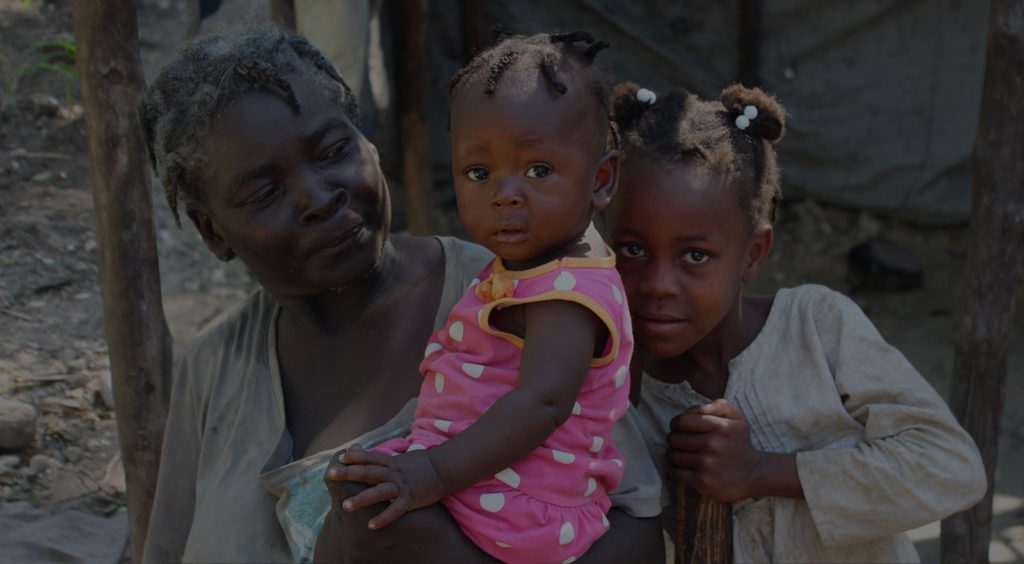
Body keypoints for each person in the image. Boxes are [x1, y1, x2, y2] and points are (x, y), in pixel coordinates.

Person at [138, 26, 662, 563]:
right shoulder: (212, 371)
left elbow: (640, 538)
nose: (318, 198)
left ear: (369, 142)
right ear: (212, 231)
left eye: (334, 150)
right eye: (265, 192)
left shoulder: (519, 298)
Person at [604, 82, 988, 562]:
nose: (658, 284)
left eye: (696, 255)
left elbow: (951, 468)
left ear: (754, 254)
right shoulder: (605, 386)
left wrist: (762, 471)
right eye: (632, 250)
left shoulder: (816, 327)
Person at [322, 31, 654, 564]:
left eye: (538, 170)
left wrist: (431, 472)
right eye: (479, 173)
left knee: (363, 503)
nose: (505, 194)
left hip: (522, 500)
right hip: (481, 472)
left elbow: (541, 404)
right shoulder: (533, 265)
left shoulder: (569, 294)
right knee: (351, 491)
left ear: (601, 179)